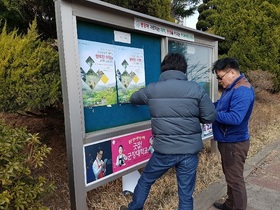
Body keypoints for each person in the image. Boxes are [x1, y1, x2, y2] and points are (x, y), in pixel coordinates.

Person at [119, 53, 217, 210]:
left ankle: (134, 208)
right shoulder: (196, 89)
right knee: (185, 194)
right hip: (189, 152)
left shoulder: (153, 89)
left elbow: (134, 98)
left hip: (164, 151)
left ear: (163, 69)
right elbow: (210, 116)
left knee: (146, 179)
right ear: (184, 70)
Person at [211, 58, 255, 210]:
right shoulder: (232, 87)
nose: (219, 81)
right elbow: (221, 106)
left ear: (231, 72)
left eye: (220, 77)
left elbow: (235, 118)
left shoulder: (242, 90)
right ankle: (230, 204)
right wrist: (208, 106)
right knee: (230, 176)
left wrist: (211, 114)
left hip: (234, 143)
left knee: (235, 180)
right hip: (228, 140)